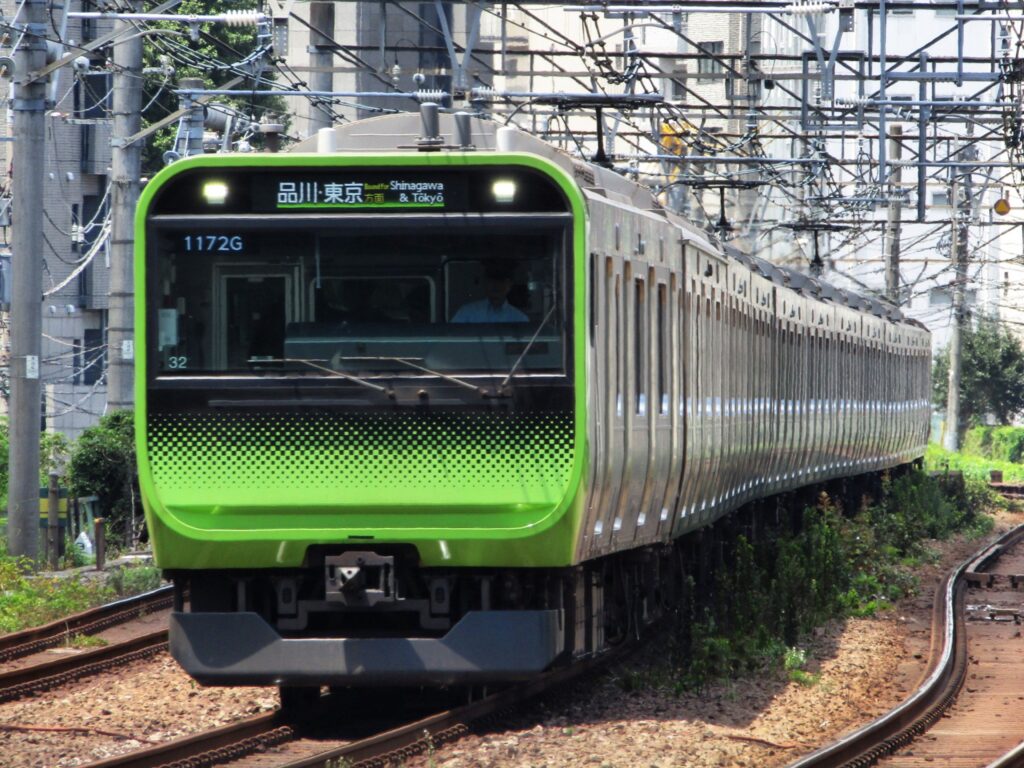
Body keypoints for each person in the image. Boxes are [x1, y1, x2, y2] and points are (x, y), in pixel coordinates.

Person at [452, 261, 529, 323]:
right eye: (492, 281)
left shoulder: (520, 318)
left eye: (501, 281)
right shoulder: (466, 313)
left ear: (510, 285)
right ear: (485, 283)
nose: (496, 286)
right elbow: (452, 338)